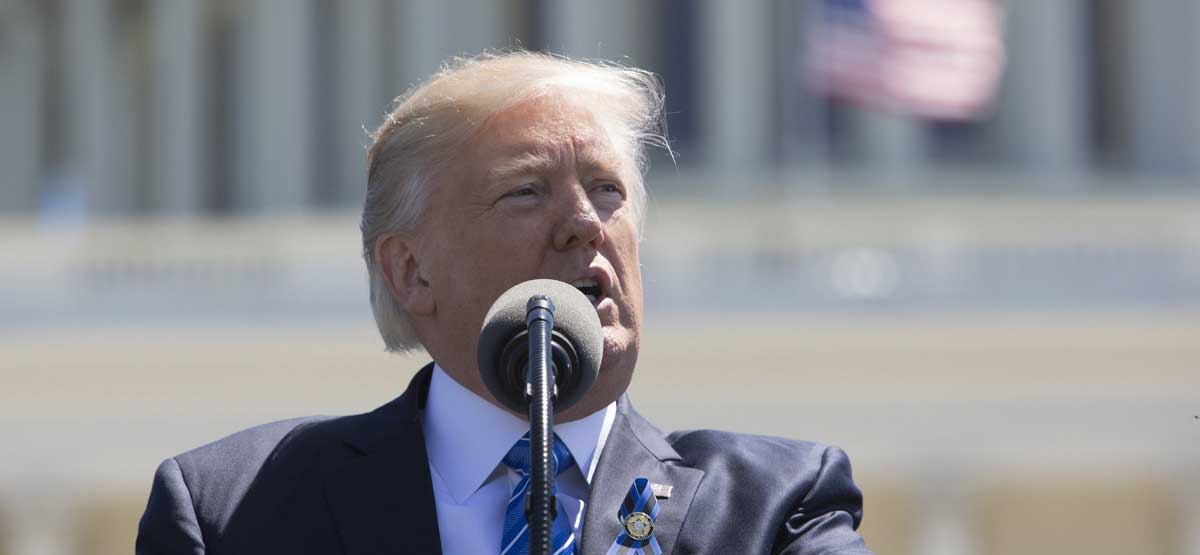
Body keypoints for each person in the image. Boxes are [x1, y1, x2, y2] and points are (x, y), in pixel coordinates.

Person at [135, 50, 873, 555]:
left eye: (609, 189)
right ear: (411, 270)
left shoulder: (773, 509)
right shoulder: (237, 511)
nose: (586, 221)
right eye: (527, 191)